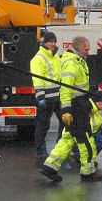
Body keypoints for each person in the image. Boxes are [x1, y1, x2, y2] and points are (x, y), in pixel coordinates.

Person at [39, 36, 102, 182]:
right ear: (77, 48)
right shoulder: (71, 64)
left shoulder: (78, 61)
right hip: (76, 108)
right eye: (85, 50)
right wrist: (66, 110)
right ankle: (88, 172)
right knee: (85, 139)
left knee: (68, 138)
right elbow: (66, 89)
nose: (88, 52)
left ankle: (50, 166)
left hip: (79, 105)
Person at [30, 31, 62, 166]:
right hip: (46, 98)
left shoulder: (55, 57)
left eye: (54, 41)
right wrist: (40, 96)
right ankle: (41, 151)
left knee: (66, 122)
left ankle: (60, 148)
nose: (53, 44)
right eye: (51, 41)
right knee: (43, 125)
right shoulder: (38, 58)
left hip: (58, 96)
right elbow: (37, 79)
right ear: (45, 42)